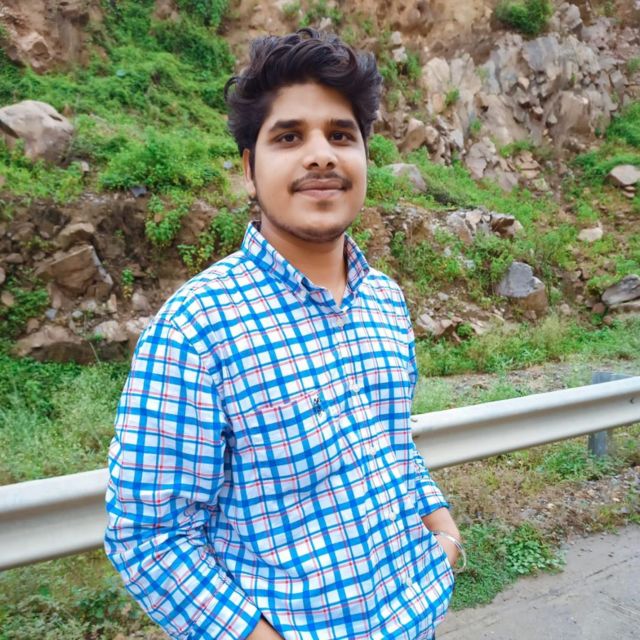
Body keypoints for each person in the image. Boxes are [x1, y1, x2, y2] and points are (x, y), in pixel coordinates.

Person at [105, 28, 462, 640]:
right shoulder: (197, 328)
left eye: (341, 135)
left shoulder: (385, 301)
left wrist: (442, 531)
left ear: (365, 157)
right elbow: (149, 538)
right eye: (289, 137)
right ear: (250, 169)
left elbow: (391, 448)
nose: (321, 155)